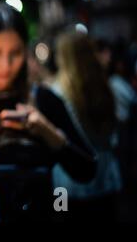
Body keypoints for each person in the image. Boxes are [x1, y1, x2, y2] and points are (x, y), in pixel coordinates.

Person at [0, 1, 97, 221]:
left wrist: (49, 133)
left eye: (16, 52)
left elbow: (88, 170)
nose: (6, 64)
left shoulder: (44, 100)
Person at [50, 31, 122, 221]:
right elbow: (113, 135)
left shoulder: (57, 92)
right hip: (106, 178)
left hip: (68, 184)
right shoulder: (105, 85)